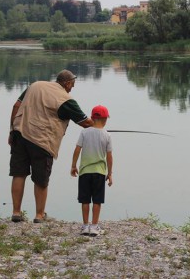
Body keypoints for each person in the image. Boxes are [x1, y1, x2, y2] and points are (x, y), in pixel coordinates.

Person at [8, 69, 93, 223]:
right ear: (67, 83)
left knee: (18, 173)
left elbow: (16, 106)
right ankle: (39, 215)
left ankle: (16, 212)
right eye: (72, 85)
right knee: (41, 178)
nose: (72, 88)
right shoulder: (65, 99)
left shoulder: (35, 85)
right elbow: (85, 123)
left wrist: (11, 130)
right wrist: (98, 125)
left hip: (20, 134)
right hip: (42, 140)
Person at [70, 105, 113, 236]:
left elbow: (77, 149)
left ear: (92, 118)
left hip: (84, 172)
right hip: (99, 172)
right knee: (97, 200)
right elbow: (109, 156)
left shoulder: (84, 132)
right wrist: (110, 174)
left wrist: (73, 165)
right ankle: (94, 226)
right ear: (105, 120)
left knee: (85, 200)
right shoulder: (107, 135)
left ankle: (84, 226)